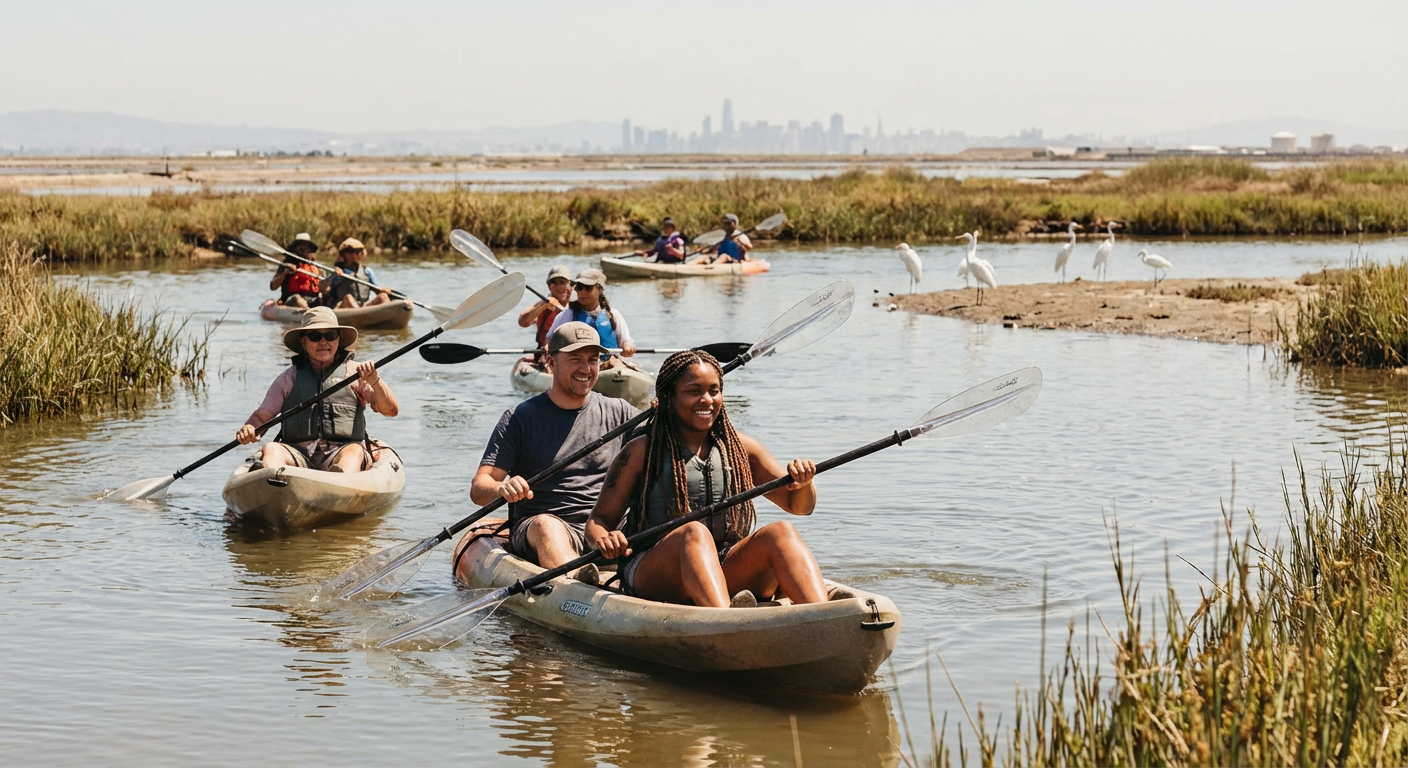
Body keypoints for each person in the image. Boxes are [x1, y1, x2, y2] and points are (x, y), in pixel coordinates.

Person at [585, 349, 825, 608]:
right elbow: (598, 521)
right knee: (694, 532)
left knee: (781, 532)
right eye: (693, 391)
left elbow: (800, 506)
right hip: (651, 570)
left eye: (714, 390)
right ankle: (723, 624)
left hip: (722, 563)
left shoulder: (741, 448)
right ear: (668, 397)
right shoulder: (641, 450)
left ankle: (826, 615)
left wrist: (804, 483)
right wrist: (604, 539)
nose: (707, 400)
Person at [471, 322, 640, 574]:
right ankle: (577, 580)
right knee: (545, 526)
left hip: (608, 528)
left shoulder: (622, 411)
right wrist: (503, 488)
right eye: (575, 359)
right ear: (550, 362)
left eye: (593, 359)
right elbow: (478, 489)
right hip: (546, 528)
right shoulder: (520, 417)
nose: (586, 368)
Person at [236, 307, 399, 473]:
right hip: (297, 454)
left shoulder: (358, 374)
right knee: (272, 448)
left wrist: (375, 381)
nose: (323, 342)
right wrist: (250, 428)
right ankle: (274, 484)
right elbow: (262, 416)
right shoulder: (288, 378)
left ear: (338, 339)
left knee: (354, 451)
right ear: (303, 341)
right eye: (315, 336)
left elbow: (390, 410)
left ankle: (339, 484)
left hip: (341, 452)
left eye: (330, 335)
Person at [546, 268, 638, 366]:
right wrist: (549, 346)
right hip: (579, 366)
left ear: (599, 290)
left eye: (588, 288)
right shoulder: (567, 315)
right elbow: (550, 341)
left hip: (611, 364)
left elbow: (625, 340)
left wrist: (628, 345)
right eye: (579, 288)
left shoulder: (613, 315)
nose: (582, 292)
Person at [517, 265, 573, 354]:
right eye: (560, 283)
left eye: (568, 283)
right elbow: (522, 321)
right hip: (547, 354)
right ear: (550, 286)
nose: (565, 288)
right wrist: (544, 305)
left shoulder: (576, 305)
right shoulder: (543, 304)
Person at [326, 238, 393, 309]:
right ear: (346, 254)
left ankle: (391, 314)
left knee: (383, 296)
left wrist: (383, 290)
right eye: (355, 252)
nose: (359, 254)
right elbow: (327, 291)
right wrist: (334, 276)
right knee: (348, 298)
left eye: (360, 251)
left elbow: (377, 290)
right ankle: (362, 315)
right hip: (341, 307)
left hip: (362, 306)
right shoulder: (338, 272)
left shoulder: (367, 271)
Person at [269, 233, 326, 308]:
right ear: (295, 248)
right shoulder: (287, 263)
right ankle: (308, 312)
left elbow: (326, 287)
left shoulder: (316, 265)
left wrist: (320, 272)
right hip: (292, 300)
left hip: (313, 299)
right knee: (297, 298)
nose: (302, 248)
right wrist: (285, 273)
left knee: (324, 297)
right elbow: (273, 286)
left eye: (306, 246)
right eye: (299, 245)